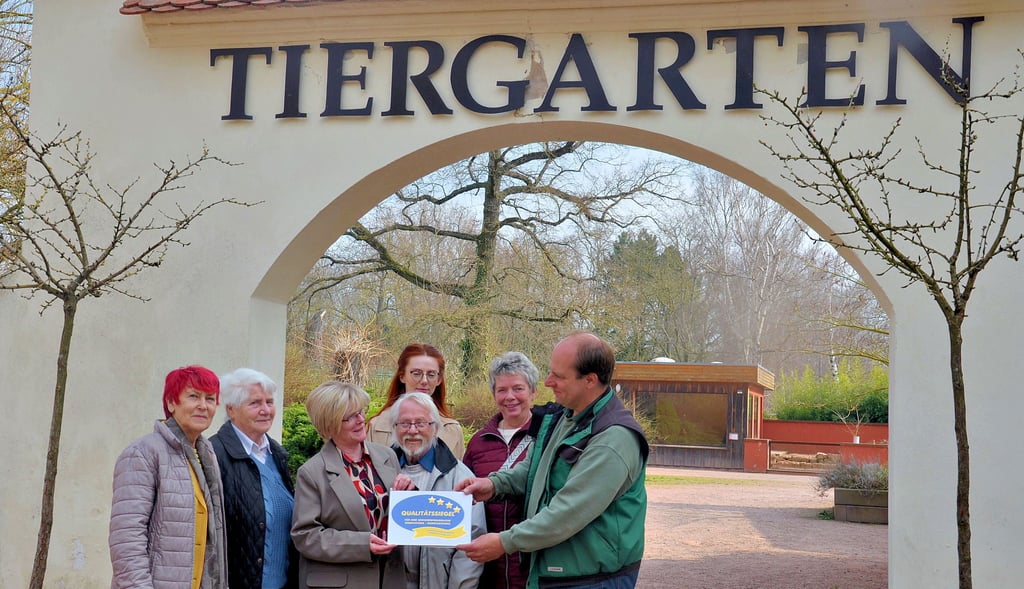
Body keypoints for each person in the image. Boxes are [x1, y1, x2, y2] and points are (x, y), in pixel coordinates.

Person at [456, 332, 650, 589]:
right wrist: (493, 485)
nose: (548, 382)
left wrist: (505, 542)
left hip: (591, 579)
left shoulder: (613, 439)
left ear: (590, 380)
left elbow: (567, 513)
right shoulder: (566, 417)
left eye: (558, 376)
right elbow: (537, 467)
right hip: (558, 573)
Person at [109, 365, 228, 589]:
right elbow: (127, 540)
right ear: (171, 403)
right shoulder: (143, 453)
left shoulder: (207, 455)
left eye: (210, 399)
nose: (203, 406)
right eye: (193, 396)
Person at [290, 381, 403, 589]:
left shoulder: (387, 456)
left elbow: (398, 516)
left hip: (388, 578)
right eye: (349, 417)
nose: (361, 420)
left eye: (360, 411)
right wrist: (360, 545)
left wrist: (409, 493)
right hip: (341, 582)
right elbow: (305, 536)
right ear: (329, 424)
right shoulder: (312, 472)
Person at [210, 368, 297, 589]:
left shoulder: (278, 455)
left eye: (269, 402)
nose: (265, 410)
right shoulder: (214, 455)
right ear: (231, 409)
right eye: (255, 403)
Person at [389, 392, 485, 589]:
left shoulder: (458, 475)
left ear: (435, 428)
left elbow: (471, 543)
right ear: (394, 428)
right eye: (405, 424)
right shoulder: (380, 471)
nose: (413, 431)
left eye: (421, 423)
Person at [461, 352, 541, 589]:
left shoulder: (547, 439)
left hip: (533, 565)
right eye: (501, 390)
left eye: (518, 388)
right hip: (488, 567)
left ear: (533, 391)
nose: (510, 397)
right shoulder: (478, 443)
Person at [367, 343, 465, 458]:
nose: (424, 380)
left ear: (439, 380)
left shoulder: (452, 430)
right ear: (402, 376)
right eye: (416, 373)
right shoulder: (376, 427)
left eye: (431, 374)